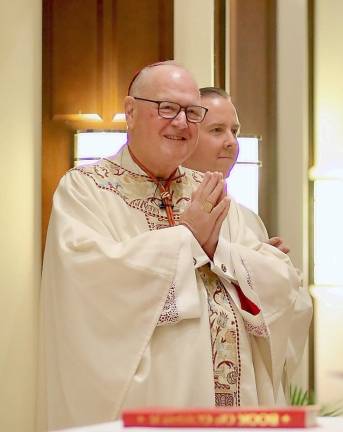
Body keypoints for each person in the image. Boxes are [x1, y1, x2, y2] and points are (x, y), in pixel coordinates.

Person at [39, 62, 312, 431]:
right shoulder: (86, 190)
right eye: (167, 108)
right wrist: (187, 239)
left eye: (192, 112)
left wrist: (222, 251)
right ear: (131, 111)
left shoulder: (211, 191)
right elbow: (88, 285)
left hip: (236, 404)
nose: (181, 122)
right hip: (151, 403)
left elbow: (283, 284)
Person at [183, 86, 289, 252]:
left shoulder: (249, 220)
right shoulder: (161, 209)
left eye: (234, 131)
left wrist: (259, 264)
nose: (231, 142)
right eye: (217, 130)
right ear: (185, 137)